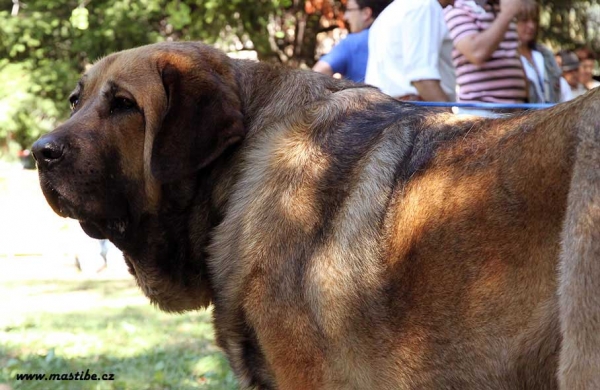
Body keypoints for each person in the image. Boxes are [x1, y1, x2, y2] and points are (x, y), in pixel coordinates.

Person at [444, 0, 527, 116]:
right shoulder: (457, 10)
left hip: (514, 113)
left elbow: (513, 59)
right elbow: (477, 53)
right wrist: (506, 15)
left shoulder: (502, 9)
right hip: (480, 115)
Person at [365, 0, 456, 102]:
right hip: (418, 110)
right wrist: (448, 114)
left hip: (389, 109)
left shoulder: (390, 11)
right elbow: (422, 78)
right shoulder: (424, 5)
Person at [312, 0, 392, 83]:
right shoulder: (397, 37)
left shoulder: (351, 43)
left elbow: (316, 75)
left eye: (349, 10)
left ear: (366, 13)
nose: (345, 17)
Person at [516, 0, 572, 103]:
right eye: (524, 20)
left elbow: (562, 90)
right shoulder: (507, 57)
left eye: (534, 20)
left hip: (553, 117)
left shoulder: (544, 54)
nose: (531, 26)